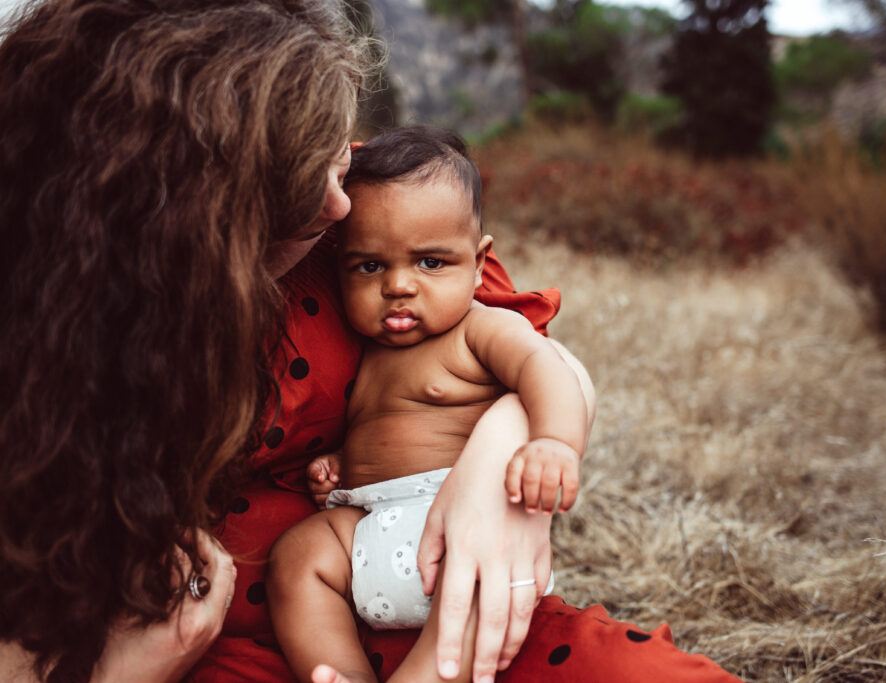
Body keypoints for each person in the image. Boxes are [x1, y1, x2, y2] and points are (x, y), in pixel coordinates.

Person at [0, 1, 740, 682]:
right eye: (294, 182)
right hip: (234, 650)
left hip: (454, 608)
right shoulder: (55, 331)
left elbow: (540, 358)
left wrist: (494, 466)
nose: (338, 200)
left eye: (336, 154)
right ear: (190, 205)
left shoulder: (364, 212)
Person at [265, 126, 590, 683]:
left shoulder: (481, 329)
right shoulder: (361, 348)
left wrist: (554, 442)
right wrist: (340, 466)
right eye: (370, 267)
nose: (399, 286)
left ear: (479, 261)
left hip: (461, 525)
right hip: (366, 523)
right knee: (296, 559)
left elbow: (547, 367)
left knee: (470, 604)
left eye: (431, 264)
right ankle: (340, 672)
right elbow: (383, 431)